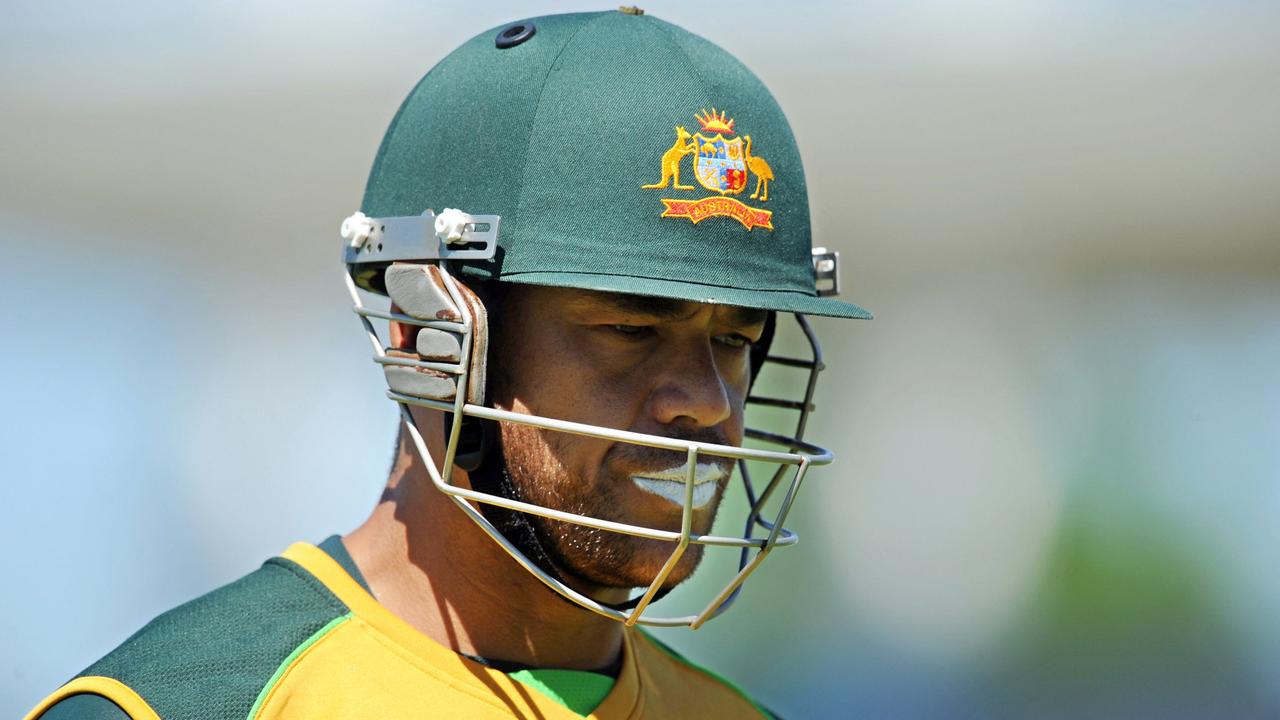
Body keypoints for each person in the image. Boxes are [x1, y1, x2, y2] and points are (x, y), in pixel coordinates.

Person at [26, 8, 870, 719]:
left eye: (733, 337)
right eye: (627, 328)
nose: (707, 402)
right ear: (424, 331)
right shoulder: (183, 704)